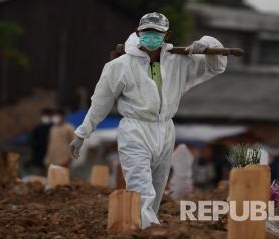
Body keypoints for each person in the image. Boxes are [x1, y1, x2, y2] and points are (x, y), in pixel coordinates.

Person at [69, 12, 227, 228]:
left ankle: (142, 230)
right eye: (147, 32)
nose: (151, 37)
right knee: (140, 186)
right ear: (138, 33)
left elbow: (215, 66)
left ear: (166, 35)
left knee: (157, 187)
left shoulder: (178, 61)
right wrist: (82, 133)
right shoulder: (120, 66)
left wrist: (206, 45)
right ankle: (149, 230)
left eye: (157, 33)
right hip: (135, 130)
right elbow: (101, 102)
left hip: (165, 129)